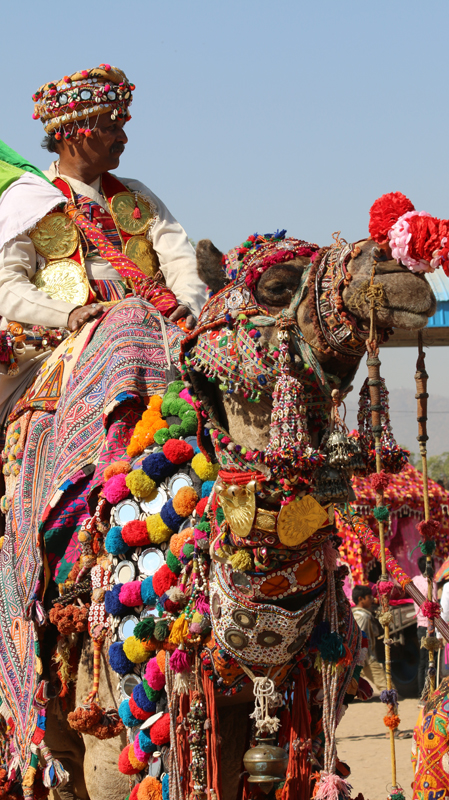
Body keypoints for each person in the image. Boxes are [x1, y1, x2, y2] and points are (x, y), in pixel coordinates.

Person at [0, 63, 207, 428]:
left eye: (122, 128)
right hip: (60, 337)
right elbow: (8, 287)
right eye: (112, 128)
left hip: (154, 323)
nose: (123, 138)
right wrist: (68, 315)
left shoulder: (138, 195)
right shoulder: (27, 201)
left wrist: (187, 305)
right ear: (72, 134)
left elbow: (181, 260)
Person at [352, 584, 388, 692]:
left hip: (358, 659)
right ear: (361, 599)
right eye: (369, 597)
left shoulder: (354, 614)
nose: (372, 600)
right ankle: (391, 707)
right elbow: (359, 637)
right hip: (366, 659)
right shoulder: (362, 616)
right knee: (387, 688)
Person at [412, 555, 437, 698]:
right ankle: (427, 693)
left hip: (420, 626)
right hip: (429, 625)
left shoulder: (415, 580)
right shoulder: (431, 583)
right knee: (430, 661)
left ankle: (422, 693)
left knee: (423, 661)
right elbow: (433, 603)